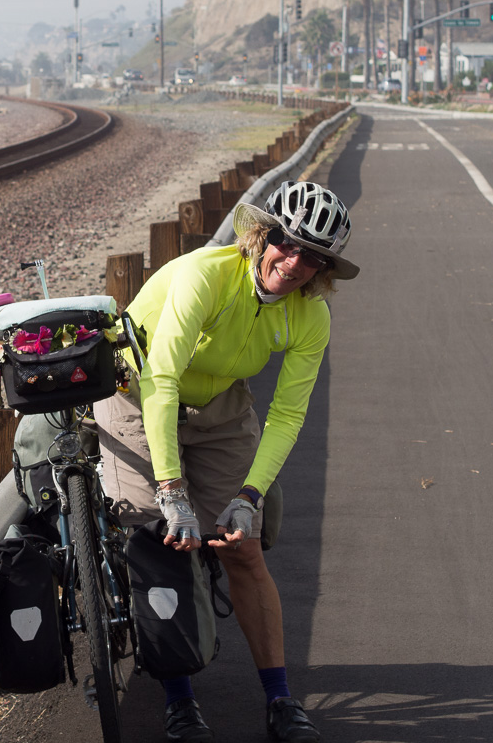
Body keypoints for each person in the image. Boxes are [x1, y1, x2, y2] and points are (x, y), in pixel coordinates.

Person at [95, 180, 358, 743]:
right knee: (160, 539)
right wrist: (171, 491)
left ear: (325, 270)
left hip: (220, 400)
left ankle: (281, 700)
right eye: (287, 243)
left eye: (314, 257)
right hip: (137, 392)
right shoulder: (205, 275)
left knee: (242, 549)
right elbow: (162, 379)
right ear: (262, 236)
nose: (294, 262)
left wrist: (248, 496)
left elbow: (287, 415)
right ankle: (179, 701)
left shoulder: (311, 316)